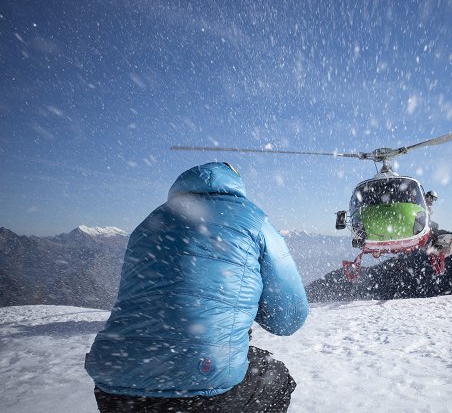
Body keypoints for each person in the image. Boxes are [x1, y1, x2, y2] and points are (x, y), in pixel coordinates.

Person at [85, 162, 309, 412]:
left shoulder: (150, 221)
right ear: (235, 184)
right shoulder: (254, 220)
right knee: (274, 377)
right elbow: (288, 318)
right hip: (203, 384)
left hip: (114, 381)